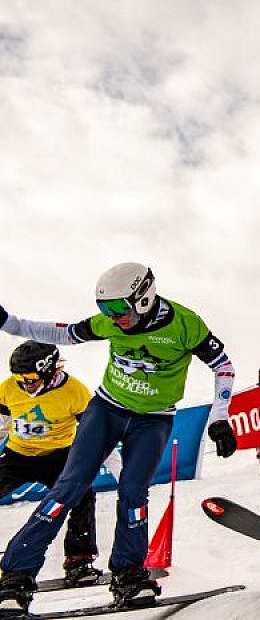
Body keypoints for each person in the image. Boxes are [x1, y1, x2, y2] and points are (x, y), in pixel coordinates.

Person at [0, 262, 239, 616]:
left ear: (143, 298)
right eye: (104, 309)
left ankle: (128, 573)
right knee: (68, 488)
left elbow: (223, 366)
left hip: (153, 420)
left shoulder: (186, 325)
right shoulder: (110, 323)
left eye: (117, 309)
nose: (112, 318)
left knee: (133, 493)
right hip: (106, 410)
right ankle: (16, 577)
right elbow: (63, 333)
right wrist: (10, 322)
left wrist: (220, 418)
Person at [0, 341, 101, 587]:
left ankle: (79, 560)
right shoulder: (9, 387)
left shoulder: (75, 391)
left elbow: (95, 433)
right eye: (20, 378)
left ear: (50, 372)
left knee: (83, 496)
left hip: (58, 457)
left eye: (31, 379)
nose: (25, 385)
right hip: (17, 456)